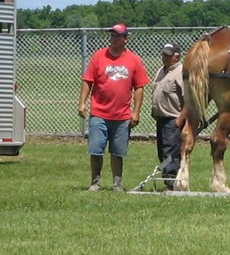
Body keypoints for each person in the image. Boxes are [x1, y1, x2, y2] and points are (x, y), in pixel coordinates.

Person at [78, 23, 149, 192]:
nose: (113, 38)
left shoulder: (133, 60)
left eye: (117, 35)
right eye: (112, 35)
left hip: (122, 115)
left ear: (126, 39)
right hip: (99, 113)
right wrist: (82, 102)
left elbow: (139, 87)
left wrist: (136, 112)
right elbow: (88, 81)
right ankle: (95, 182)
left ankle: (117, 183)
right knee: (96, 149)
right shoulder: (99, 56)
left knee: (118, 151)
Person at [151, 42, 184, 190]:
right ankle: (167, 179)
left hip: (174, 118)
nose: (164, 57)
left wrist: (180, 120)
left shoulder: (181, 72)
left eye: (168, 55)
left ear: (176, 57)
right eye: (163, 54)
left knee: (171, 151)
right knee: (163, 150)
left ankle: (172, 183)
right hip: (161, 118)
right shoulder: (161, 71)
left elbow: (187, 99)